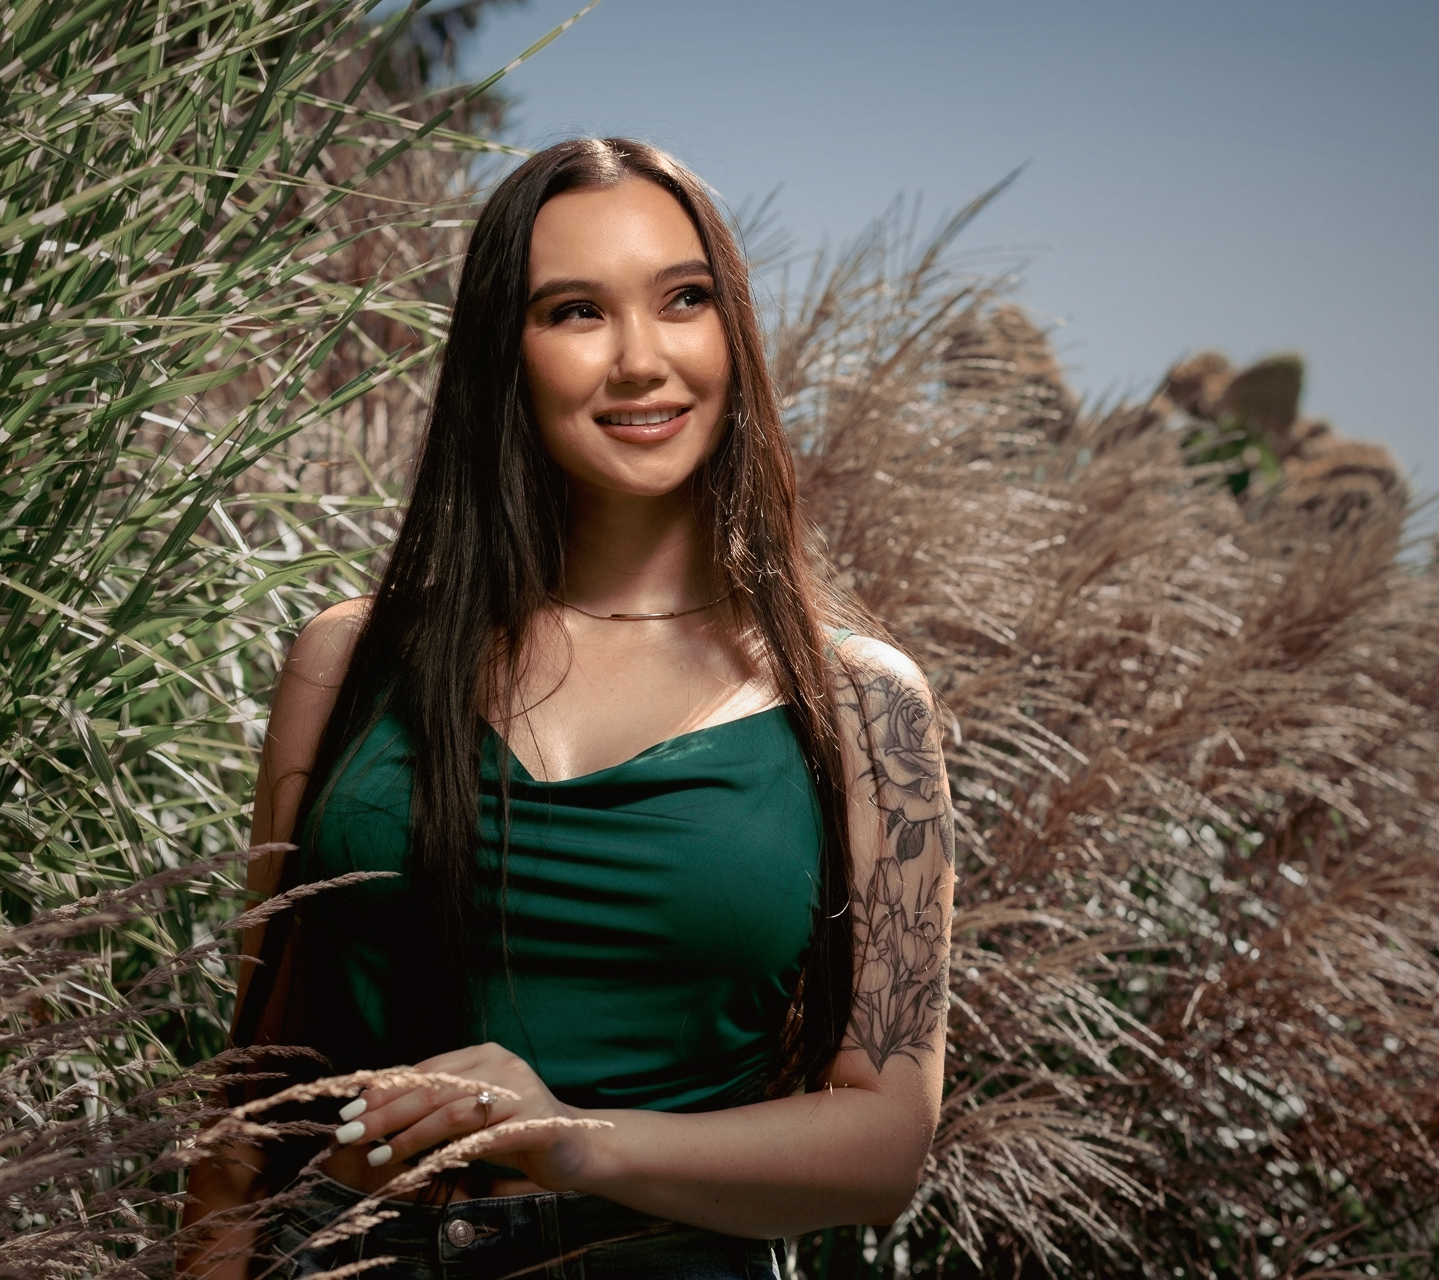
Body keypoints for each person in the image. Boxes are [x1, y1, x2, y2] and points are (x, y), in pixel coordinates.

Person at [180, 137, 955, 1279]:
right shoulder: (347, 664)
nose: (642, 358)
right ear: (508, 351)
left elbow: (886, 1140)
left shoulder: (865, 707)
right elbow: (254, 1094)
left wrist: (574, 1143)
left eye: (684, 299)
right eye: (576, 311)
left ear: (731, 334)